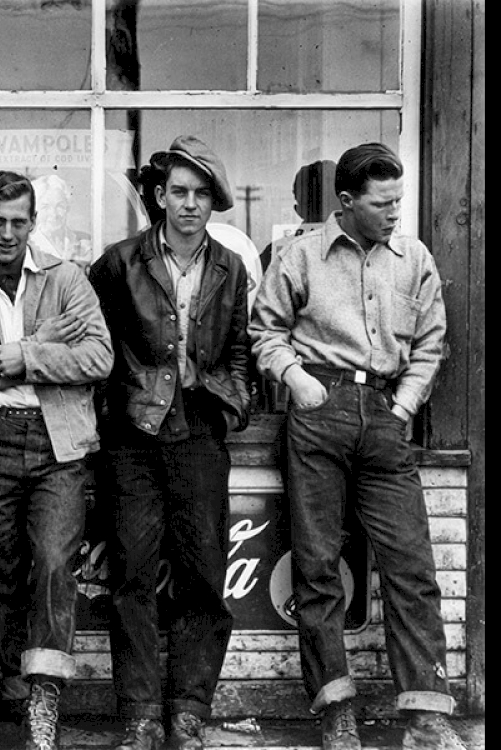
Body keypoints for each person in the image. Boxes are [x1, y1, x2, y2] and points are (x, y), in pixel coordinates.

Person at [248, 142, 465, 750]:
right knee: (317, 568)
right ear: (346, 202)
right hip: (319, 413)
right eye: (382, 202)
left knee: (412, 567)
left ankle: (425, 714)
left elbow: (431, 342)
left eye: (399, 199)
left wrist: (403, 405)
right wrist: (299, 382)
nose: (396, 211)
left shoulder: (413, 257)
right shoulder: (301, 257)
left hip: (387, 416)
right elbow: (264, 330)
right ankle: (335, 708)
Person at [0, 171, 113, 750]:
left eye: (19, 221)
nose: (8, 232)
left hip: (57, 443)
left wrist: (20, 353)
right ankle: (13, 676)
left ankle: (44, 693)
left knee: (55, 562)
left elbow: (98, 357)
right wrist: (43, 342)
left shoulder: (67, 279)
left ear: (33, 223)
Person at [89, 136, 251, 750]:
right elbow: (97, 348)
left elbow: (238, 350)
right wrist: (114, 411)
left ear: (213, 203)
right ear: (159, 197)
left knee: (204, 573)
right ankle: (137, 714)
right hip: (132, 438)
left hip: (199, 434)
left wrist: (231, 400)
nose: (189, 204)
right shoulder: (119, 261)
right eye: (178, 192)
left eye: (200, 194)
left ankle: (187, 712)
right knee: (131, 572)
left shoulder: (230, 267)